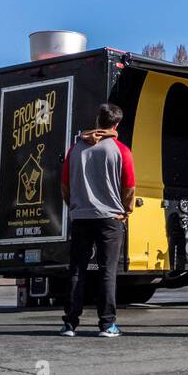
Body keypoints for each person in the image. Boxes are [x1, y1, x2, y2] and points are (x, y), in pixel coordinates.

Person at [59, 103, 135, 338]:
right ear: (117, 124)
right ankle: (107, 324)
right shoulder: (120, 150)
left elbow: (65, 184)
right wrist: (127, 210)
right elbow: (129, 185)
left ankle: (70, 324)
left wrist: (74, 206)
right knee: (107, 271)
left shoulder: (75, 149)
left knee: (76, 271)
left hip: (81, 216)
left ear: (97, 120)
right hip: (110, 217)